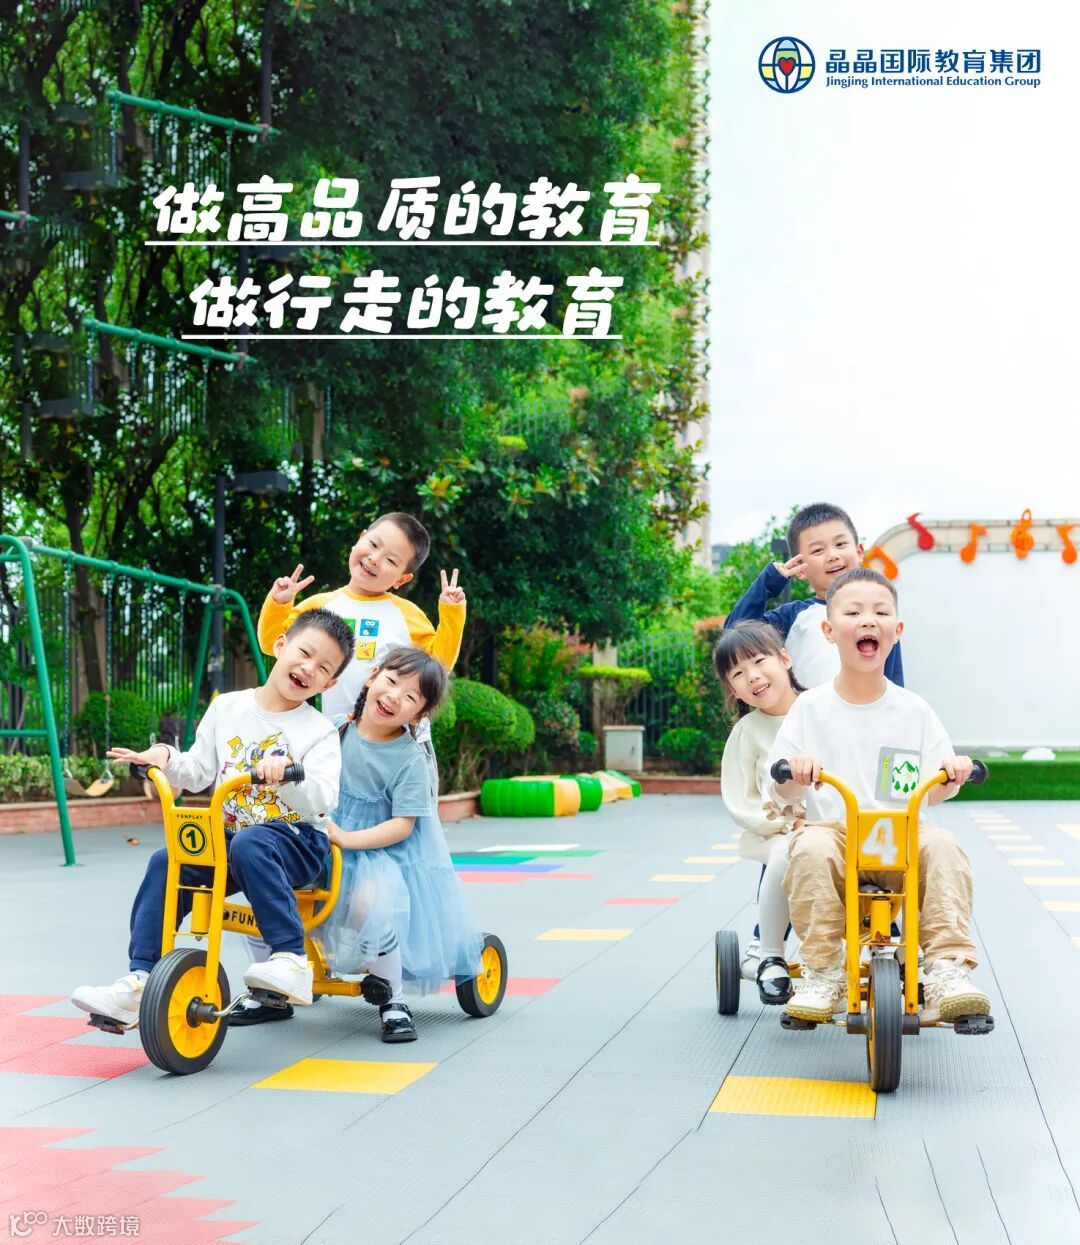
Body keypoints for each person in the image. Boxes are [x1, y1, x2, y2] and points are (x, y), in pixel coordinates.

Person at [70, 609, 355, 1027]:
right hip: (233, 840)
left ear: (328, 684)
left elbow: (323, 799)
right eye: (305, 653)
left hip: (297, 842)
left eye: (324, 668)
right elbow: (198, 770)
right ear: (281, 645)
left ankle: (291, 958)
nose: (309, 668)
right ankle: (141, 979)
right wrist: (163, 757)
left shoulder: (318, 731)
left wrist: (289, 775)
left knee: (253, 842)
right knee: (168, 861)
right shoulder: (228, 708)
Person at [768, 567, 990, 1024]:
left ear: (897, 630)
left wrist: (952, 774)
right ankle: (824, 973)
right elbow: (781, 785)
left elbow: (934, 791)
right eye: (853, 612)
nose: (868, 620)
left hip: (901, 835)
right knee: (809, 847)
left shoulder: (914, 710)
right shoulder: (810, 708)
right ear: (829, 631)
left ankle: (946, 970)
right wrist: (798, 770)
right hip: (836, 834)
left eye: (880, 612)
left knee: (943, 845)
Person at [312, 645, 483, 1043]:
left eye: (410, 697)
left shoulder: (408, 758)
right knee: (274, 885)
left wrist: (348, 839)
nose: (393, 697)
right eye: (390, 682)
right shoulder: (334, 730)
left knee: (369, 904)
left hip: (380, 852)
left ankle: (393, 1000)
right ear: (372, 677)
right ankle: (274, 982)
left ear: (419, 715)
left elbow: (403, 825)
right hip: (325, 838)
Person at [714, 621, 804, 1003]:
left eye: (758, 661)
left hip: (836, 824)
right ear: (733, 690)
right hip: (777, 833)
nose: (752, 676)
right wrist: (785, 822)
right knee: (786, 854)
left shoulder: (823, 710)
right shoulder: (748, 732)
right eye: (737, 673)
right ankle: (769, 952)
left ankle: (891, 945)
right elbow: (741, 799)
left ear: (785, 658)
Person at [725, 502, 904, 689]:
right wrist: (770, 581)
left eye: (840, 544)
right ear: (800, 568)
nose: (832, 555)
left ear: (859, 552)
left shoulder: (879, 614)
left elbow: (893, 682)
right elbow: (735, 633)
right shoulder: (791, 617)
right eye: (818, 550)